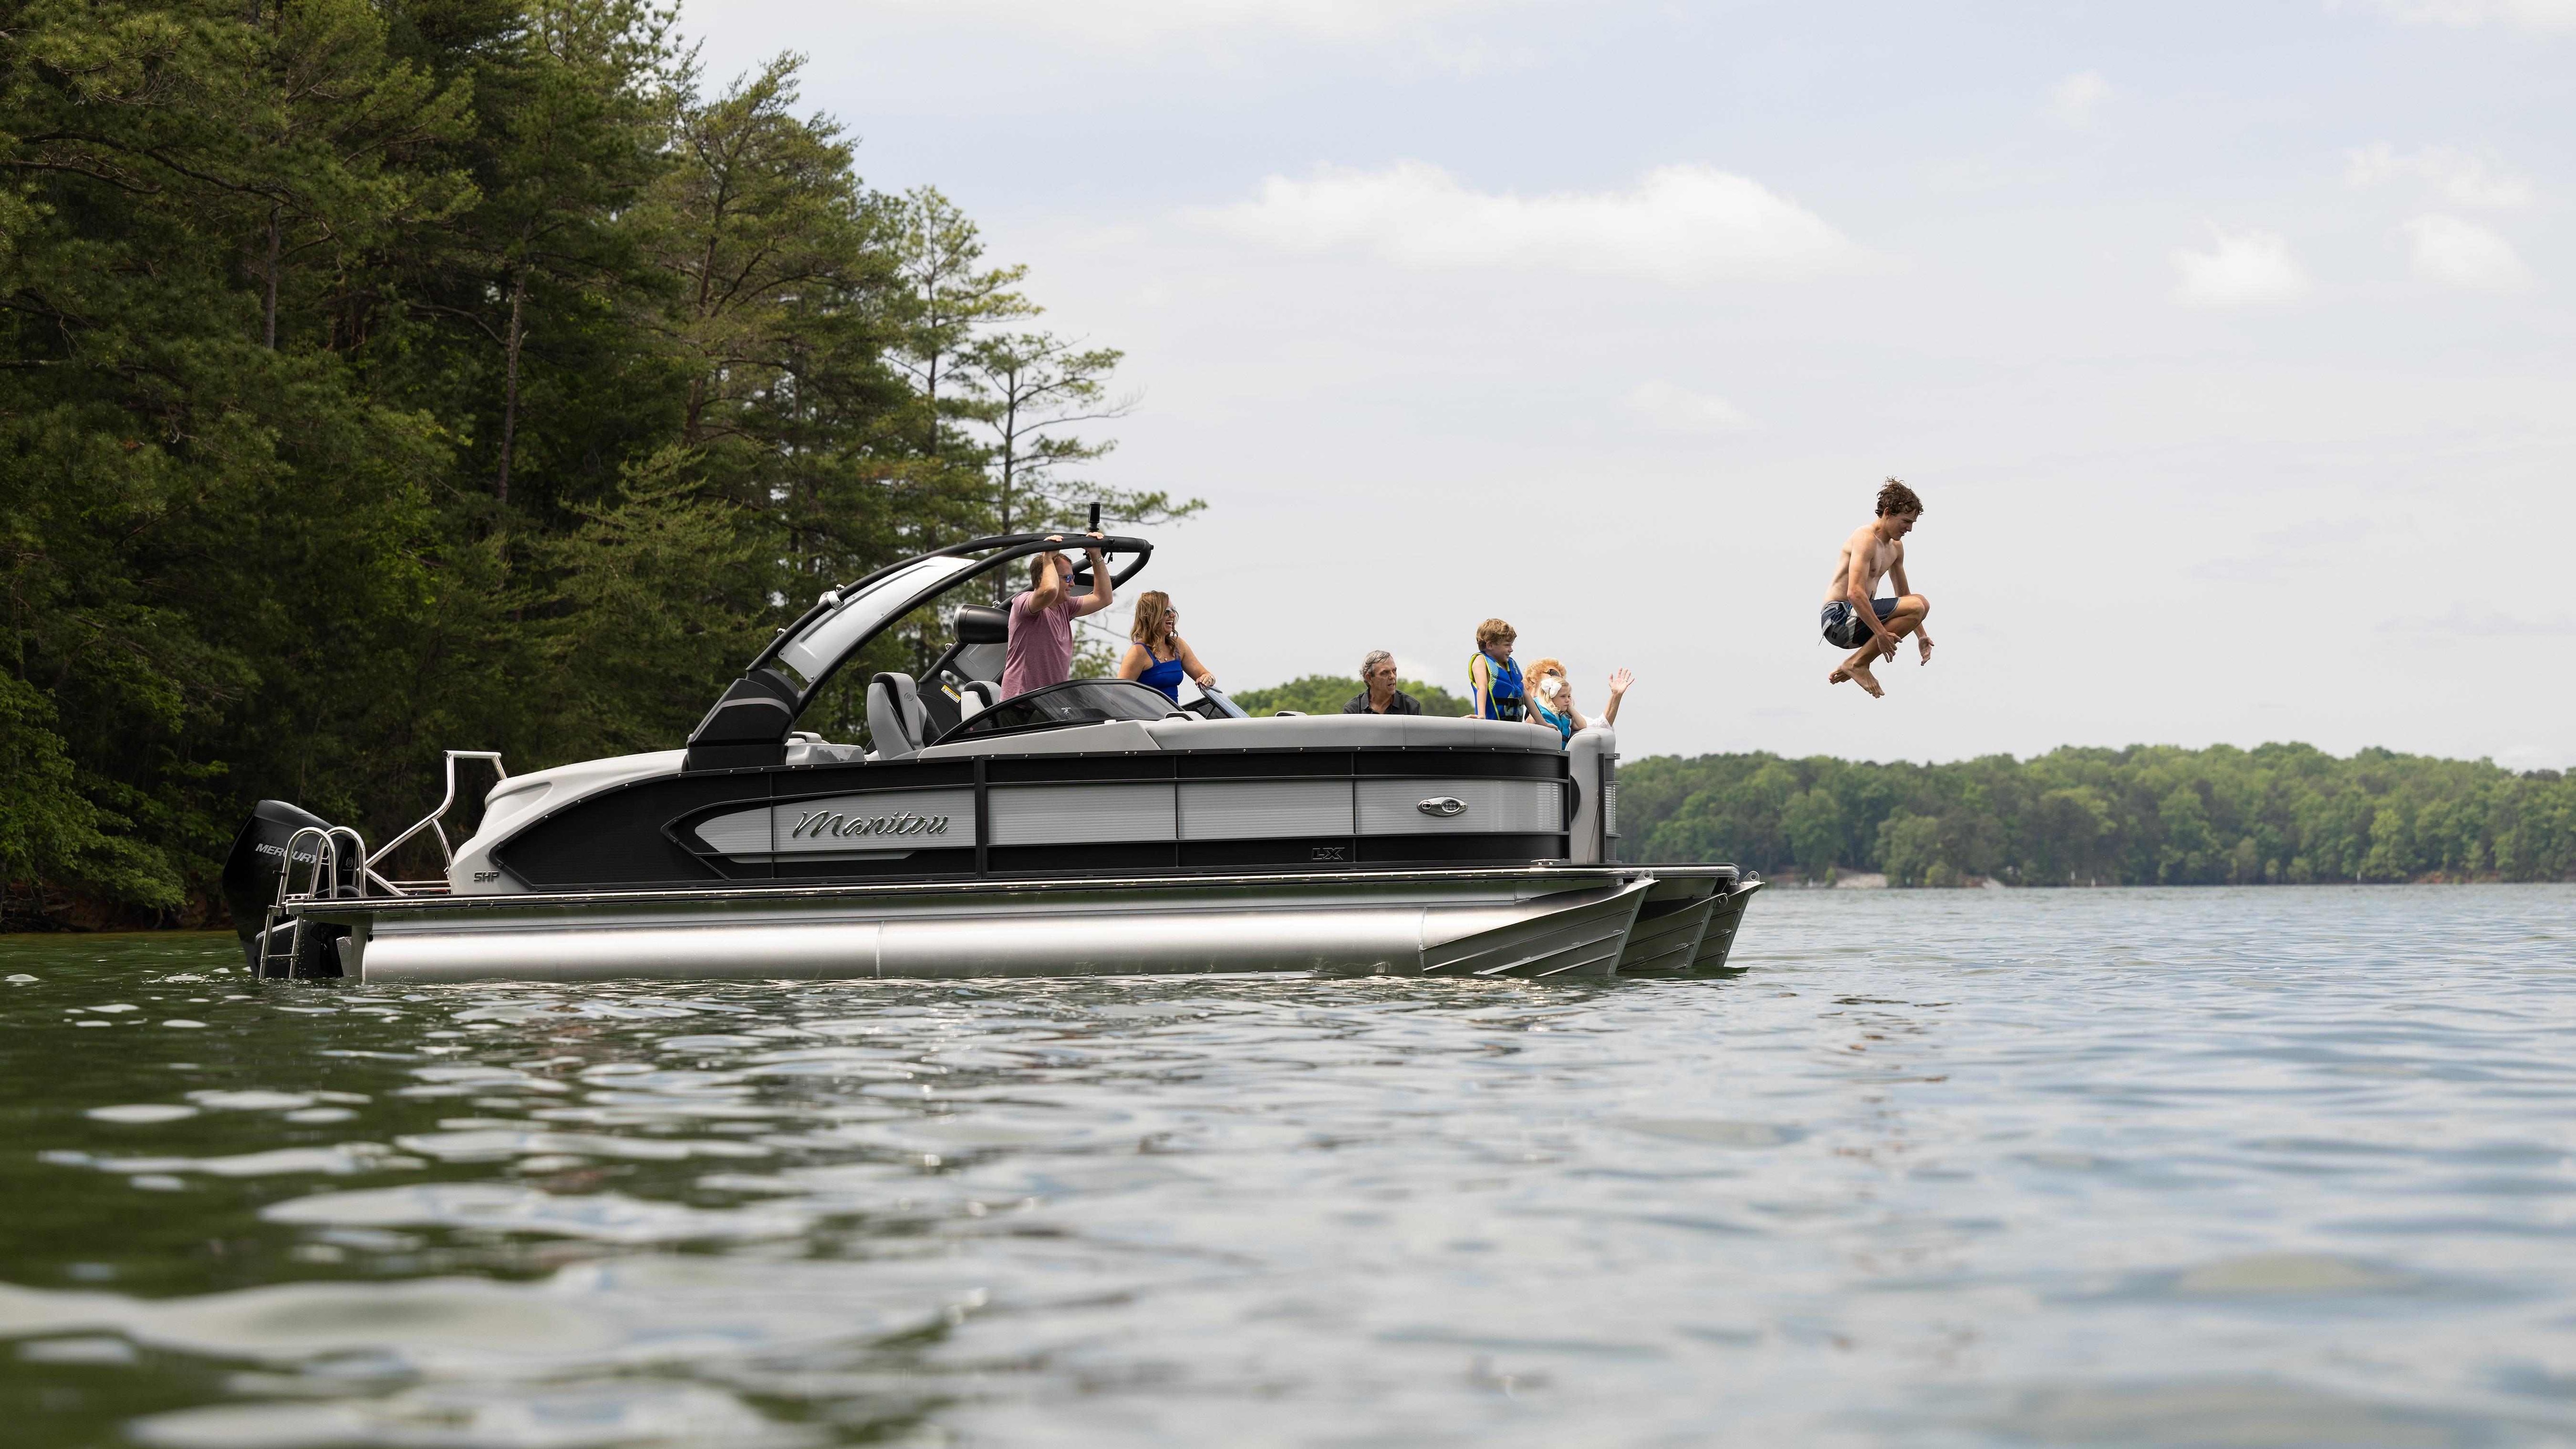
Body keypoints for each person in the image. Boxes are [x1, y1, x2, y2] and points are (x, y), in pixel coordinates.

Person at [1821, 479, 1934, 699]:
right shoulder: (1865, 538)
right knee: (1918, 604)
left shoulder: (1896, 548)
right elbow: (1854, 592)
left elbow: (1904, 596)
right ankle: (1858, 663)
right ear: (1888, 513)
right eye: (1906, 521)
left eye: (1912, 523)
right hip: (1838, 618)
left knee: (1921, 604)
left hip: (1858, 621)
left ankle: (1855, 663)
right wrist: (1881, 634)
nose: (1909, 529)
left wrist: (1921, 635)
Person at [1001, 532, 1112, 698]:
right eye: (1067, 578)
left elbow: (1103, 598)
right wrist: (1047, 556)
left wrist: (1095, 555)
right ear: (1043, 577)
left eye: (1072, 577)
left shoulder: (1065, 607)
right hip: (1020, 703)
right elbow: (1049, 590)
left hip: (1050, 702)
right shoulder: (1023, 603)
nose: (1073, 584)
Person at [1116, 591, 1216, 703]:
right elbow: (1118, 696)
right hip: (1149, 720)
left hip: (1174, 717)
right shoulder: (1138, 652)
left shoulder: (1178, 645)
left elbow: (1205, 674)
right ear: (1152, 616)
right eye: (1167, 612)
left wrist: (1209, 678)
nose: (1173, 615)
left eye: (1173, 610)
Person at [1526, 659, 1634, 745]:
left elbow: (1601, 727)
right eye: (1552, 674)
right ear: (1533, 682)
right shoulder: (1518, 713)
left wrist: (1616, 696)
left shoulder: (1566, 714)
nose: (1557, 682)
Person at [1467, 618, 1532, 722]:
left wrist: (1543, 723)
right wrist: (1481, 716)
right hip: (1493, 725)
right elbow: (1482, 688)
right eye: (1507, 645)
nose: (1511, 649)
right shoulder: (1480, 661)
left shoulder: (1510, 664)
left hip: (1515, 727)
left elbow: (1524, 693)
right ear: (1490, 645)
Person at [1343, 650, 1423, 715]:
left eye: (1394, 671)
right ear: (1369, 678)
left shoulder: (1411, 707)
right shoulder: (1353, 710)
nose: (1392, 676)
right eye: (1385, 673)